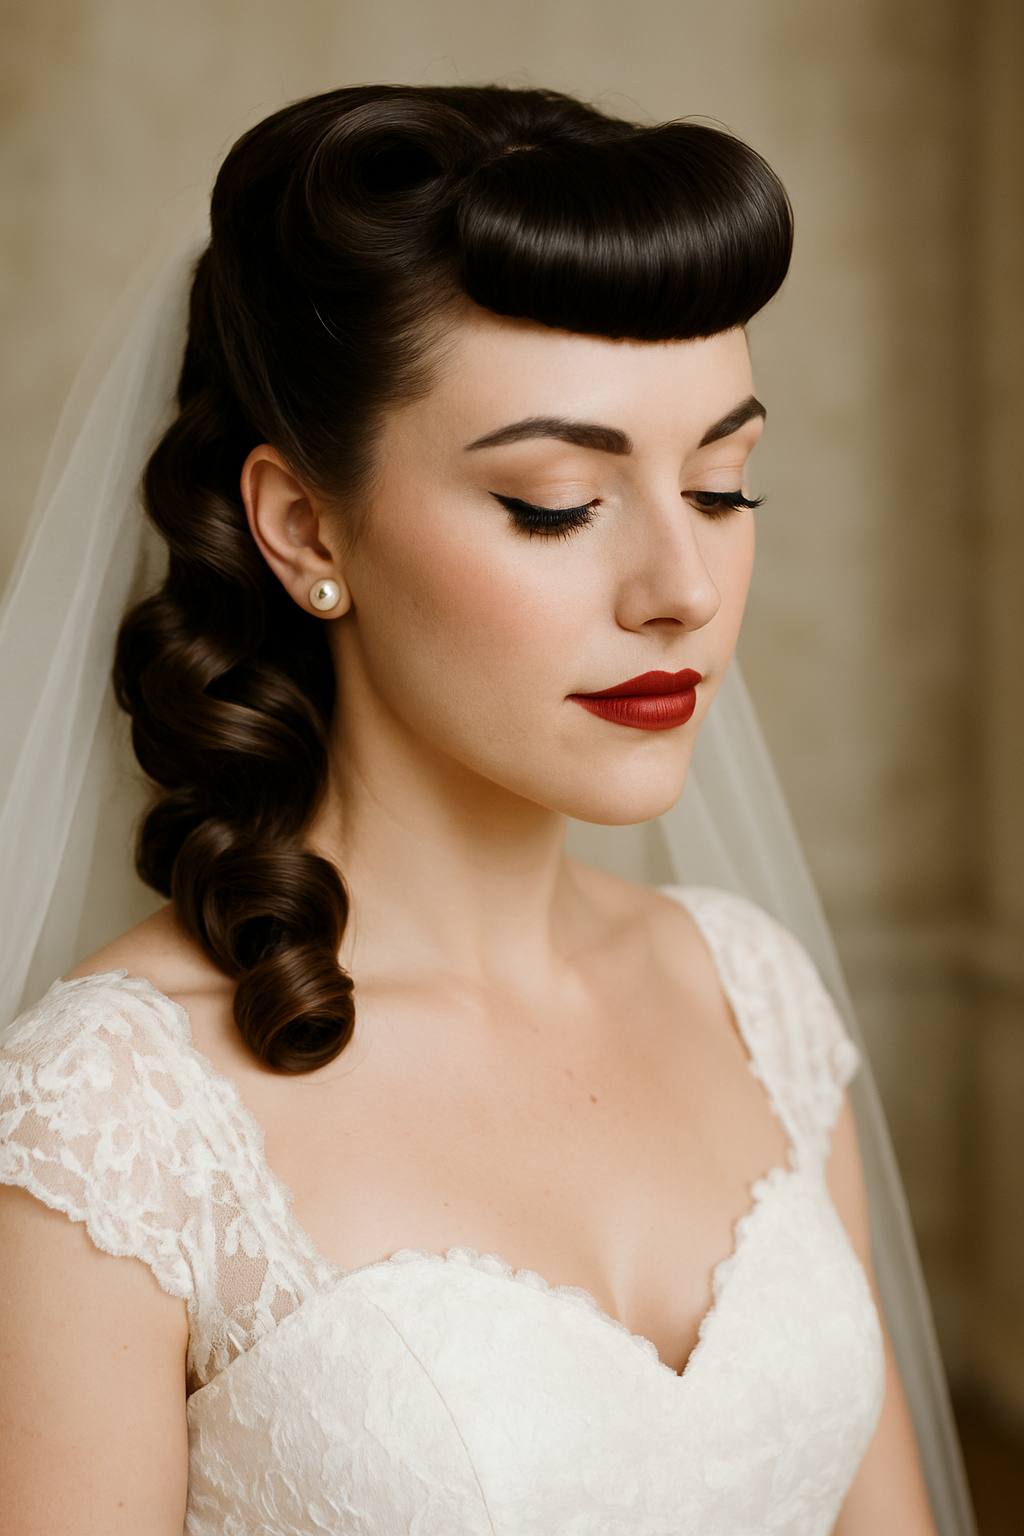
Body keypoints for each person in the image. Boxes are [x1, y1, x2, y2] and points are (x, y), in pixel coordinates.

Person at [0, 84, 959, 1533]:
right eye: (560, 503)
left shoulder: (750, 993)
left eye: (721, 484)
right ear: (305, 526)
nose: (682, 592)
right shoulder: (111, 1124)